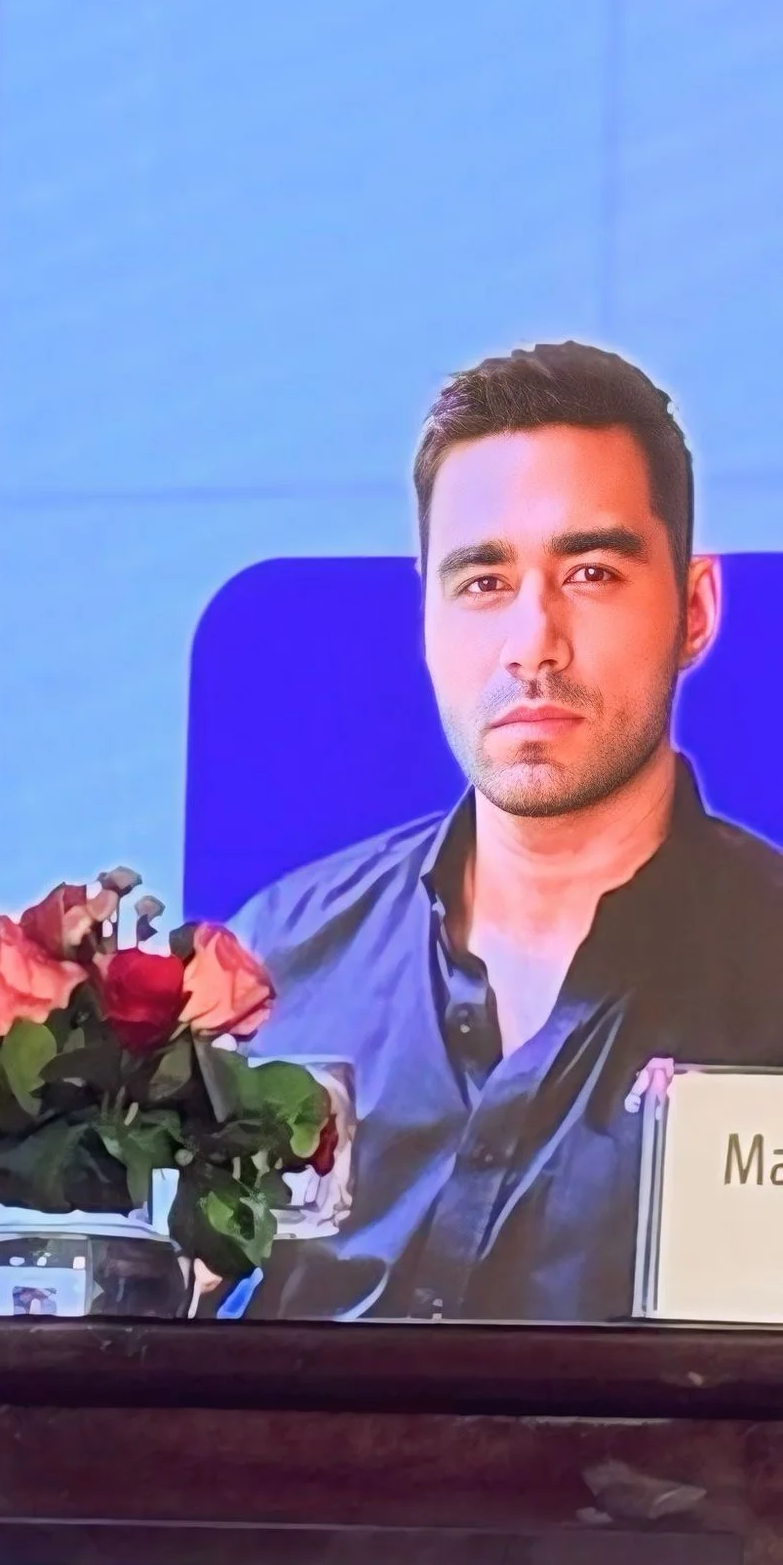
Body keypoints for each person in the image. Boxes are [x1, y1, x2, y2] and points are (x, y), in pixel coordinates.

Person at [237, 340, 783, 1321]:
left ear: (694, 610)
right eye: (482, 582)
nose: (532, 643)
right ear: (425, 617)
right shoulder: (280, 963)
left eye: (590, 573)